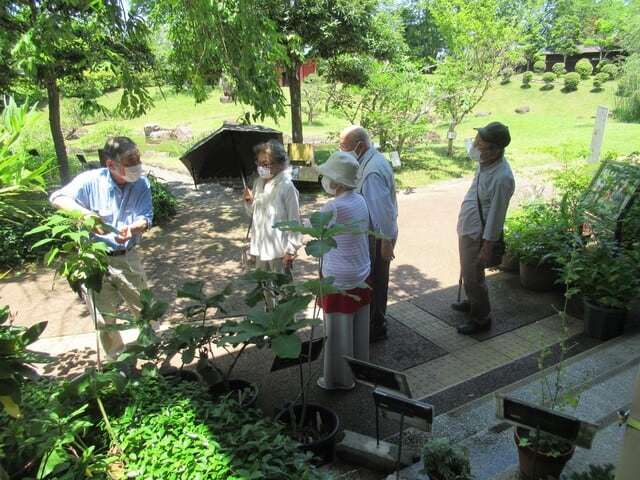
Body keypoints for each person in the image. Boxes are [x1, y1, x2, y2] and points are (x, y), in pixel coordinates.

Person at [49, 137, 153, 360]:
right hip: (94, 259)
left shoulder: (142, 184)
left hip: (127, 257)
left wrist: (137, 227)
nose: (137, 164)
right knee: (103, 316)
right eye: (130, 160)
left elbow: (146, 216)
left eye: (138, 158)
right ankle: (116, 361)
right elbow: (57, 198)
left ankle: (153, 352)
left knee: (145, 309)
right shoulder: (89, 181)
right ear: (111, 165)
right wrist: (85, 215)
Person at [313, 151, 371, 390]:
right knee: (358, 327)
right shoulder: (360, 200)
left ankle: (338, 379)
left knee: (337, 330)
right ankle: (360, 370)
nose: (325, 180)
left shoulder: (333, 206)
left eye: (328, 176)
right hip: (361, 271)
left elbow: (313, 229)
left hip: (339, 277)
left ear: (335, 181)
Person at [453, 121, 515, 334]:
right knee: (468, 271)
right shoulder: (486, 164)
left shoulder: (502, 178)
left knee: (473, 278)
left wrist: (487, 247)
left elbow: (497, 216)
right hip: (468, 228)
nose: (475, 147)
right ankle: (472, 303)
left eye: (480, 145)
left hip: (478, 234)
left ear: (494, 151)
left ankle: (481, 318)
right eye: (476, 142)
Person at [339, 125, 398, 342]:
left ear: (360, 146)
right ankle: (374, 321)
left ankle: (376, 325)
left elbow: (382, 211)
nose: (340, 150)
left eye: (344, 146)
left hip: (377, 235)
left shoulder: (372, 171)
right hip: (375, 234)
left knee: (376, 278)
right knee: (374, 278)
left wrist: (385, 242)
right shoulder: (368, 161)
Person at [242, 140, 302, 308]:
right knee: (265, 290)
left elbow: (294, 220)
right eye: (259, 163)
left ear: (279, 164)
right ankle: (271, 323)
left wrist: (291, 249)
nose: (261, 167)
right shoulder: (258, 183)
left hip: (280, 250)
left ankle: (288, 327)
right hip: (261, 248)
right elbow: (253, 214)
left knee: (284, 293)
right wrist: (249, 201)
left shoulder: (286, 186)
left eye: (266, 163)